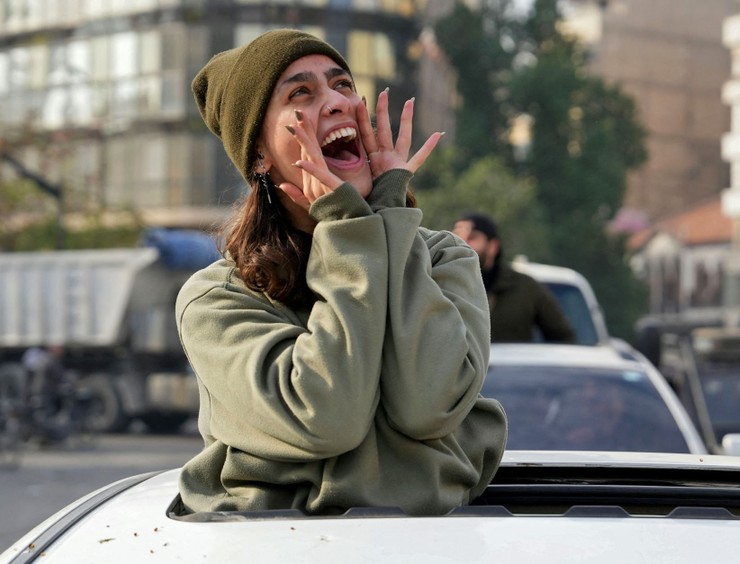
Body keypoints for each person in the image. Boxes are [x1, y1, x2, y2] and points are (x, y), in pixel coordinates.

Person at [177, 29, 507, 516]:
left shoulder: (445, 259)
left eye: (342, 85)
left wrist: (388, 217)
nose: (335, 102)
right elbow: (328, 419)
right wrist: (351, 231)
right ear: (261, 155)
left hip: (436, 559)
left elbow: (428, 406)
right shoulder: (217, 299)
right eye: (300, 93)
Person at [452, 212, 576, 343]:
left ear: (493, 246)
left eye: (471, 238)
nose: (462, 244)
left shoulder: (525, 288)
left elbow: (563, 338)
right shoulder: (442, 286)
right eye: (457, 237)